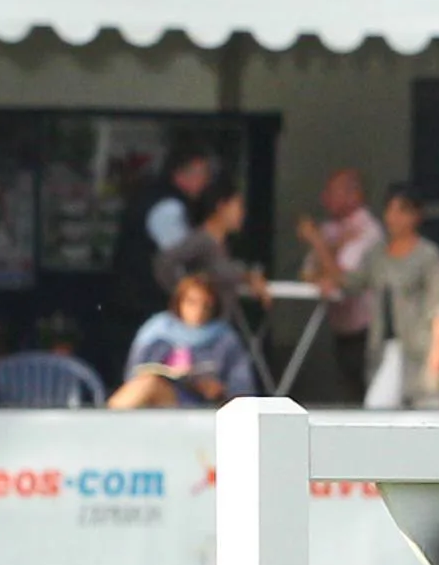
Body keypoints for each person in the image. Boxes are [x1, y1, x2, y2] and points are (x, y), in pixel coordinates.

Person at [109, 264, 262, 408]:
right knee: (147, 385)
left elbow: (243, 391)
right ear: (179, 303)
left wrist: (217, 390)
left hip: (206, 410)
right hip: (160, 401)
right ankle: (105, 427)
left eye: (206, 305)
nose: (199, 311)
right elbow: (133, 375)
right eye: (192, 302)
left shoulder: (225, 339)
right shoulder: (158, 332)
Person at [359, 183, 439, 408]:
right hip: (385, 346)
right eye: (390, 210)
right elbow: (350, 281)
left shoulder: (428, 255)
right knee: (377, 406)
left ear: (415, 215)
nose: (393, 218)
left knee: (426, 410)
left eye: (401, 211)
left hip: (419, 347)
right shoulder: (377, 255)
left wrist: (438, 353)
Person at [287, 167, 375, 399]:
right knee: (347, 393)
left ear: (354, 195)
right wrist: (328, 251)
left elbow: (342, 278)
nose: (324, 198)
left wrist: (317, 242)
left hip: (366, 330)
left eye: (332, 191)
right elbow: (307, 272)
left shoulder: (368, 231)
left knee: (368, 397)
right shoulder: (332, 228)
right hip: (341, 329)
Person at [138, 148, 219, 278]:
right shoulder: (169, 208)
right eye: (202, 174)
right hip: (148, 292)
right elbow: (180, 258)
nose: (206, 181)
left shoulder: (160, 198)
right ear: (180, 175)